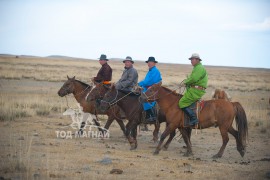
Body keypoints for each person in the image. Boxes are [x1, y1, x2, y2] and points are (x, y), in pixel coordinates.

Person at [179, 53, 208, 126]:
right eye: (191, 59)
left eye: (192, 59)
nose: (191, 61)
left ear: (197, 60)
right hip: (194, 90)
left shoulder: (199, 68)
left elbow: (194, 78)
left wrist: (186, 81)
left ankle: (194, 118)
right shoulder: (197, 67)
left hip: (196, 91)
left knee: (181, 102)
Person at [138, 56, 162, 123]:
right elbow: (146, 81)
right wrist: (140, 84)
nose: (149, 63)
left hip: (153, 88)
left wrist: (140, 84)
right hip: (148, 87)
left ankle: (151, 115)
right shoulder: (150, 71)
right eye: (148, 62)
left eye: (151, 62)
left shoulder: (155, 71)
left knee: (144, 97)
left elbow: (149, 81)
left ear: (154, 63)